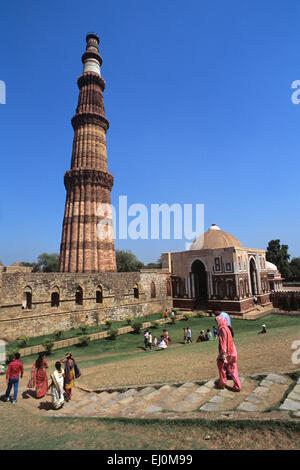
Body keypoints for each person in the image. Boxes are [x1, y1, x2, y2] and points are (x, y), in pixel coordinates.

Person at [215, 315, 241, 392]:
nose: (217, 323)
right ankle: (237, 386)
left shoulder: (222, 329)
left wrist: (223, 355)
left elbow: (224, 342)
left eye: (217, 322)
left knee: (220, 364)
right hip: (233, 351)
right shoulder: (228, 328)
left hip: (227, 353)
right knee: (233, 369)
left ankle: (222, 383)